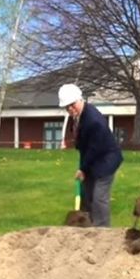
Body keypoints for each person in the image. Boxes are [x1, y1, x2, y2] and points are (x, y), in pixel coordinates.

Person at [58, 84, 123, 227]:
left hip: (106, 160)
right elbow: (84, 147)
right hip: (93, 159)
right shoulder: (79, 116)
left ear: (80, 100)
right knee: (87, 194)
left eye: (72, 104)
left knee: (99, 197)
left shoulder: (93, 121)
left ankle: (102, 231)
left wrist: (83, 169)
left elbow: (94, 149)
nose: (70, 109)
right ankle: (86, 225)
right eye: (66, 107)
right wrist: (83, 168)